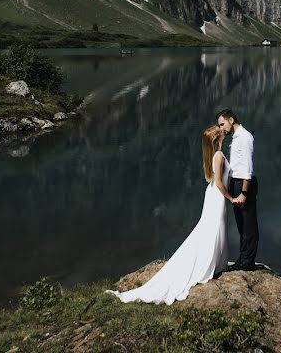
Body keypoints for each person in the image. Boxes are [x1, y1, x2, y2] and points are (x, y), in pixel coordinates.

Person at [106, 125, 235, 304]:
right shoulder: (219, 156)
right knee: (215, 227)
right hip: (218, 195)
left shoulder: (212, 156)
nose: (223, 131)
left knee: (211, 227)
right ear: (216, 138)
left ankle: (215, 261)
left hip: (212, 194)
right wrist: (232, 198)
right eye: (220, 131)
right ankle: (213, 262)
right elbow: (220, 183)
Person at [216, 109, 258, 271]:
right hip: (236, 183)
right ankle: (243, 258)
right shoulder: (236, 137)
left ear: (231, 120)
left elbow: (247, 167)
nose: (221, 128)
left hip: (243, 184)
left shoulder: (245, 138)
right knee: (241, 223)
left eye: (222, 124)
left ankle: (247, 262)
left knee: (248, 223)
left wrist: (244, 193)